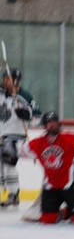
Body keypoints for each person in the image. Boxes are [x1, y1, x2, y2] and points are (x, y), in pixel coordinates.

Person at [16, 111, 74, 225]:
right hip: (51, 188)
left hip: (71, 187)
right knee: (48, 220)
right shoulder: (38, 143)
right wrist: (6, 148)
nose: (53, 125)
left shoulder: (70, 139)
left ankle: (72, 211)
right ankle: (65, 212)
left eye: (55, 122)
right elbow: (18, 150)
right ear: (45, 126)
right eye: (49, 123)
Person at [0, 68, 41, 207]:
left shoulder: (25, 97)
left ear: (16, 80)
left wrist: (27, 115)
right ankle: (11, 194)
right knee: (2, 166)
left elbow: (37, 118)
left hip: (15, 136)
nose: (6, 81)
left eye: (9, 78)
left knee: (8, 162)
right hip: (1, 135)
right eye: (5, 78)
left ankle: (13, 194)